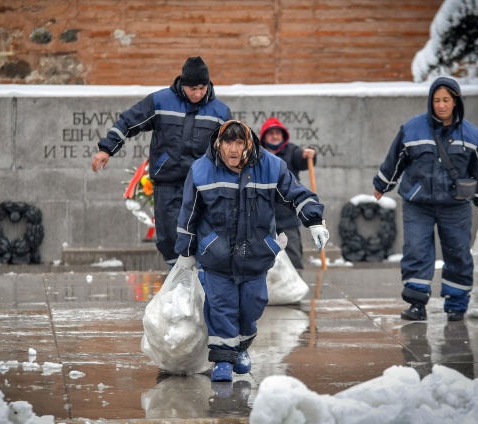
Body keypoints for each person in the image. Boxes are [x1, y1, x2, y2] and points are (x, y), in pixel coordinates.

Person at [174, 120, 329, 382]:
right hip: (216, 255)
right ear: (218, 143)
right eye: (227, 142)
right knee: (221, 305)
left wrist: (314, 221)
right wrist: (187, 251)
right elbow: (189, 212)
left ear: (249, 144)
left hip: (256, 255)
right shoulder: (202, 170)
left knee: (251, 305)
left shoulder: (271, 166)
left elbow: (296, 194)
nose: (233, 149)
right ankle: (223, 360)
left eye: (239, 142)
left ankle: (241, 349)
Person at [91, 57, 232, 268]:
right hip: (168, 183)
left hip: (201, 186)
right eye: (192, 88)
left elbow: (231, 148)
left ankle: (203, 282)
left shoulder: (220, 112)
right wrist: (106, 149)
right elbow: (129, 121)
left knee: (203, 235)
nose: (197, 94)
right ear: (183, 84)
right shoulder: (160, 101)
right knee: (168, 238)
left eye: (202, 88)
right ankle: (179, 280)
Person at [372, 76, 478, 323]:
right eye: (436, 100)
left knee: (458, 253)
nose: (441, 105)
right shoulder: (412, 128)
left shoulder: (469, 133)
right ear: (430, 101)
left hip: (455, 205)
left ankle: (456, 305)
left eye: (446, 100)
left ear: (455, 101)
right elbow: (395, 158)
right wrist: (382, 185)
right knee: (416, 250)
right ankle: (417, 304)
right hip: (418, 203)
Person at [259, 117, 317, 270]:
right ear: (264, 136)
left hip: (287, 215)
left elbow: (302, 160)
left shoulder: (291, 150)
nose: (275, 136)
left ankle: (297, 284)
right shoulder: (258, 153)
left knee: (293, 257)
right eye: (271, 133)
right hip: (263, 215)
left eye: (278, 133)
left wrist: (309, 154)